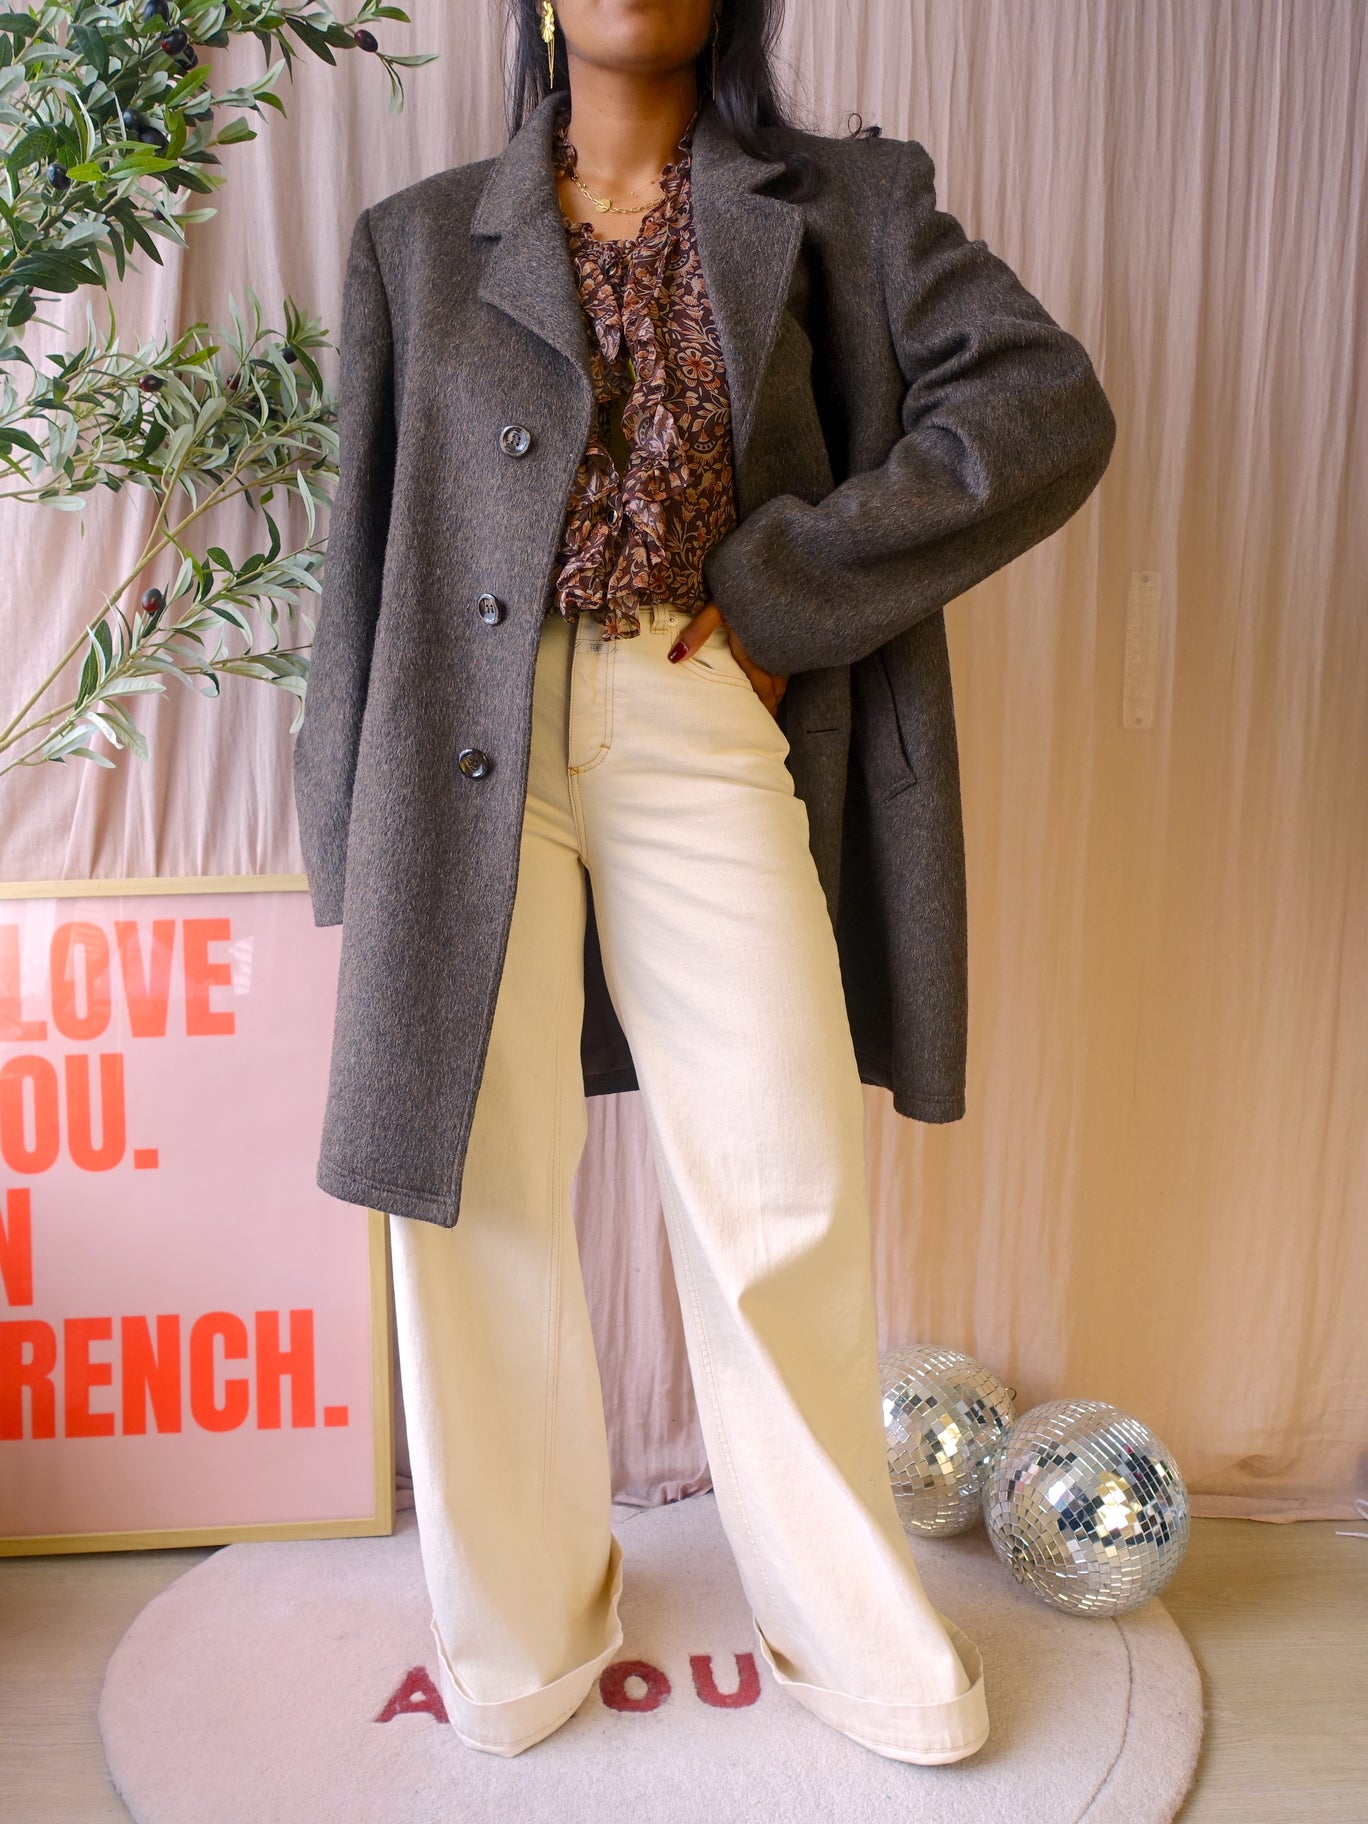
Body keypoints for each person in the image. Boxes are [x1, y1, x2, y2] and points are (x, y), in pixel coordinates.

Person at [292, 0, 1116, 1769]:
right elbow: (359, 558)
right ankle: (519, 1639)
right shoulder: (418, 241)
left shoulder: (850, 203)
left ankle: (849, 1633)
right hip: (458, 745)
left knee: (781, 1173)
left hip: (699, 698)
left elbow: (1043, 403)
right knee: (475, 1195)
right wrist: (344, 832)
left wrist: (784, 590)